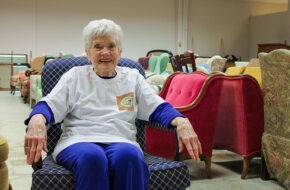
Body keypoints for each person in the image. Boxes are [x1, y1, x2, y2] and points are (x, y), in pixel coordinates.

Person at [24, 19, 202, 190]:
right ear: (87, 52)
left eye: (111, 46)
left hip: (122, 140)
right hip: (78, 140)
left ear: (120, 51)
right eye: (98, 47)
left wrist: (181, 121)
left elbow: (157, 107)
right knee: (92, 158)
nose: (105, 52)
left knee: (129, 157)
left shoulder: (132, 77)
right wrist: (37, 119)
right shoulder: (74, 76)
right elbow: (49, 104)